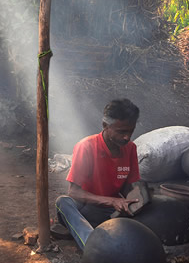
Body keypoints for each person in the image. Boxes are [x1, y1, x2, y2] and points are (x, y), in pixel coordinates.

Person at [55, 99, 141, 250]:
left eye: (130, 131)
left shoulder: (131, 148)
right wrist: (111, 201)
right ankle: (92, 248)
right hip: (85, 208)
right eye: (122, 132)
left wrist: (137, 198)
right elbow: (73, 192)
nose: (127, 137)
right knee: (63, 202)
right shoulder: (86, 146)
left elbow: (128, 187)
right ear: (105, 126)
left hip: (110, 211)